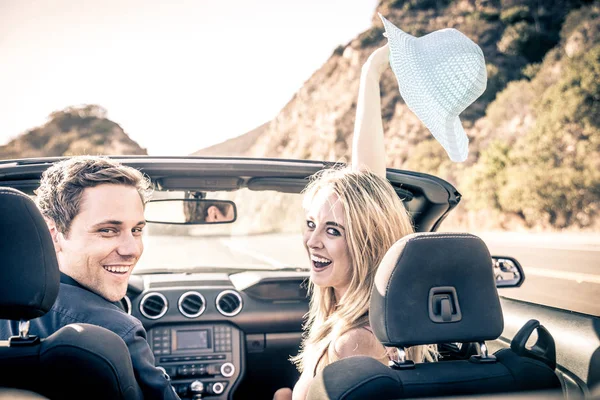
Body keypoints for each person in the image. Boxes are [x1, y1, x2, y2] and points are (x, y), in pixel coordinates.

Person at [273, 44, 435, 400]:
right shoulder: (372, 321)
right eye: (311, 223)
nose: (312, 241)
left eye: (333, 231)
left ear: (368, 245)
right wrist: (371, 71)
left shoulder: (356, 344)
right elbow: (368, 183)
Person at [0, 156, 180, 400]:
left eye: (136, 230)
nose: (132, 249)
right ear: (53, 234)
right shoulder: (115, 330)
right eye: (107, 230)